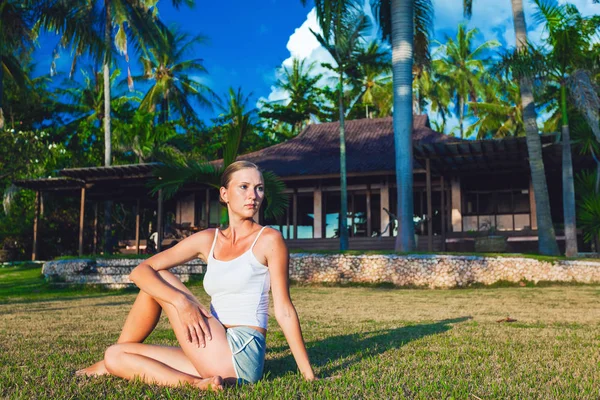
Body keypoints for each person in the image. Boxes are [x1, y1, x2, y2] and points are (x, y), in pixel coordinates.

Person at [76, 161, 315, 390]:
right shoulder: (208, 239)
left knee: (162, 278)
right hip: (213, 347)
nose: (253, 195)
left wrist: (308, 375)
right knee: (116, 355)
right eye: (244, 187)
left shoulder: (269, 240)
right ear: (224, 194)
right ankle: (196, 383)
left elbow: (284, 310)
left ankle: (113, 367)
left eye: (259, 188)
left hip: (242, 352)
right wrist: (181, 303)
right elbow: (139, 272)